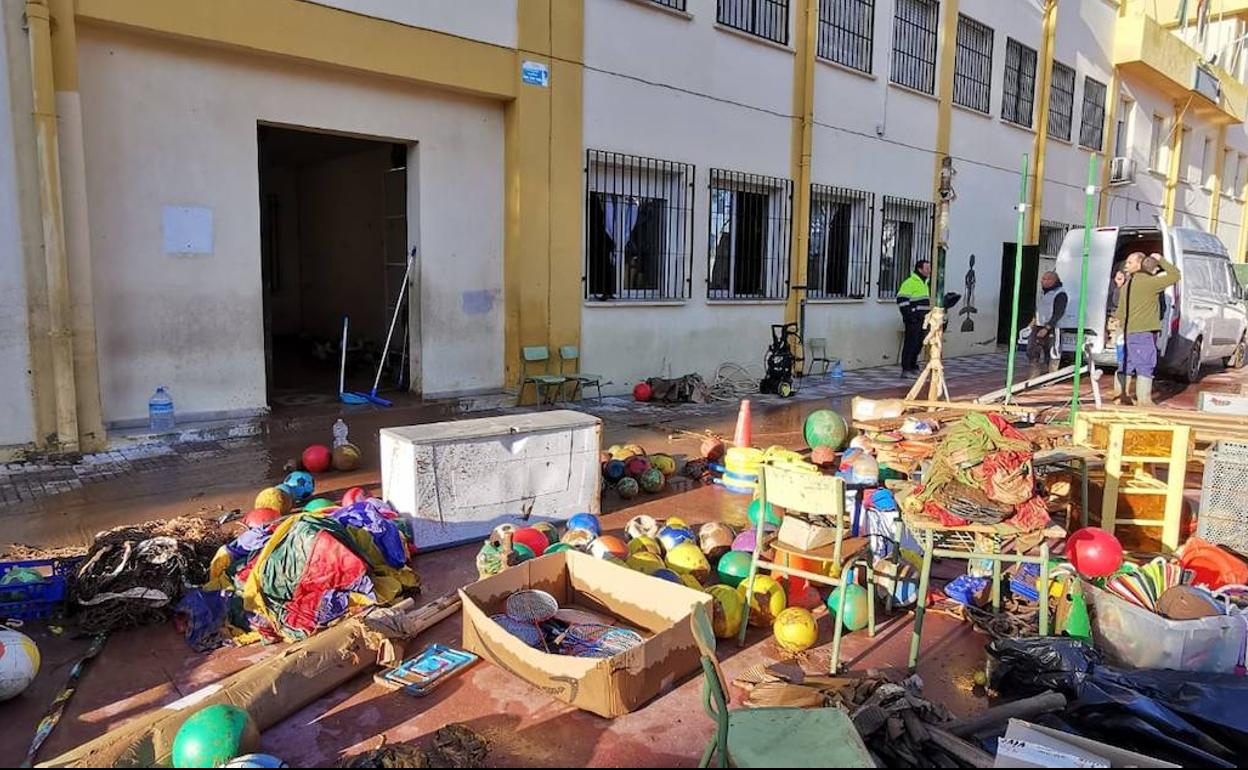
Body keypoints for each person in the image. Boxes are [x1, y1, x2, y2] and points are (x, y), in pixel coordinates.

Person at [1116, 251, 1181, 406]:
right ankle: (1144, 400)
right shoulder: (1151, 283)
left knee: (1127, 363)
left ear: (1140, 265)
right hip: (1143, 331)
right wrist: (1161, 260)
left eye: (1129, 262)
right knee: (1145, 364)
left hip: (1129, 332)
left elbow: (1120, 312)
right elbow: (1176, 275)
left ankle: (1121, 396)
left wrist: (1124, 329)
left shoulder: (1127, 285)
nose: (1126, 266)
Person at [1027, 272, 1070, 380]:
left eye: (1048, 279)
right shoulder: (1042, 293)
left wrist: (1047, 328)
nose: (1044, 281)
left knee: (1052, 352)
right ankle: (1034, 375)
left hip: (1053, 327)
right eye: (1043, 279)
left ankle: (1051, 376)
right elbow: (1039, 309)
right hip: (1039, 325)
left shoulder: (1060, 294)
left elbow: (1058, 313)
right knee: (1032, 349)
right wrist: (1033, 321)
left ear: (1055, 281)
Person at [896, 260, 932, 377]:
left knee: (919, 344)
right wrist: (910, 316)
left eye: (929, 268)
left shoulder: (924, 283)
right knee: (910, 343)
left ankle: (913, 366)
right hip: (913, 320)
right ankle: (906, 369)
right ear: (920, 269)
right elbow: (901, 300)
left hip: (923, 320)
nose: (929, 271)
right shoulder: (910, 282)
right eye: (927, 268)